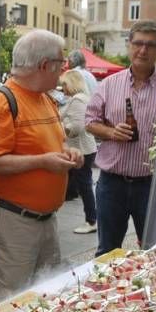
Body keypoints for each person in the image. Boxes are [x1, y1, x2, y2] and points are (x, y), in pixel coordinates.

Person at [0, 29, 83, 307]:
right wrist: (42, 161)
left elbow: (50, 145)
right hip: (13, 220)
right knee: (6, 304)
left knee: (44, 298)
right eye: (61, 64)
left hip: (45, 219)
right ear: (44, 65)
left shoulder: (45, 98)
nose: (63, 71)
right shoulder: (3, 101)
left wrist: (66, 152)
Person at [85, 20, 156, 256]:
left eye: (150, 45)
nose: (143, 50)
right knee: (107, 251)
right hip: (112, 184)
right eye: (138, 43)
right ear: (129, 45)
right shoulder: (109, 84)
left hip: (153, 185)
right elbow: (89, 121)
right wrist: (111, 132)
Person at [59, 70, 98, 234]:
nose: (63, 88)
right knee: (83, 186)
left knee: (85, 186)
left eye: (64, 84)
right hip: (84, 148)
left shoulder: (77, 100)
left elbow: (76, 127)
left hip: (81, 149)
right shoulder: (81, 98)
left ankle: (91, 220)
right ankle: (92, 219)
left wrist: (61, 129)